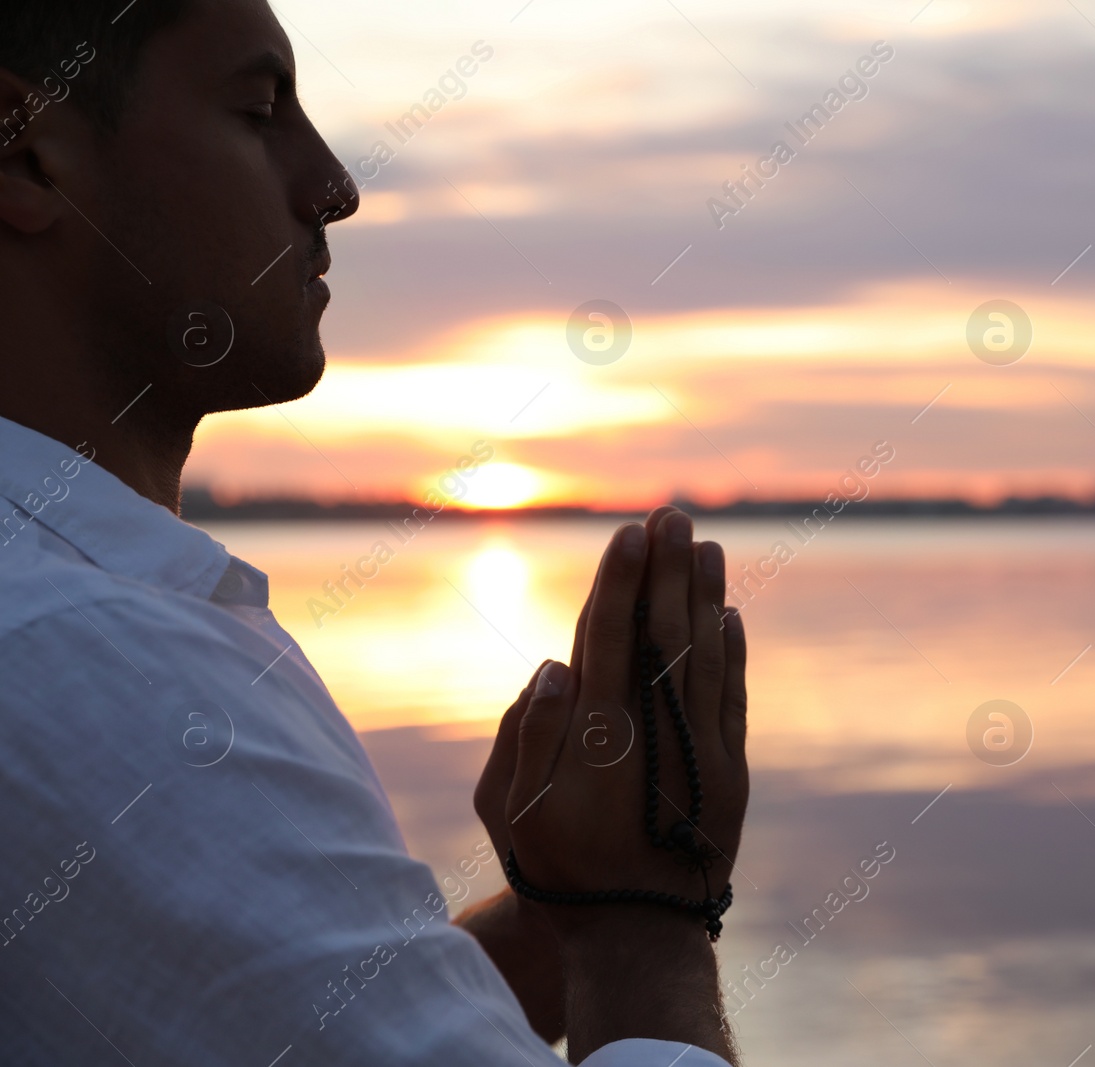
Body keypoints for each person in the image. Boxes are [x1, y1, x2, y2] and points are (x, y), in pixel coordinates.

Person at [0, 2, 750, 1064]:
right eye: (259, 110)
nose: (334, 188)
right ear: (24, 153)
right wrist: (647, 911)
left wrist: (561, 912)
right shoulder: (83, 657)